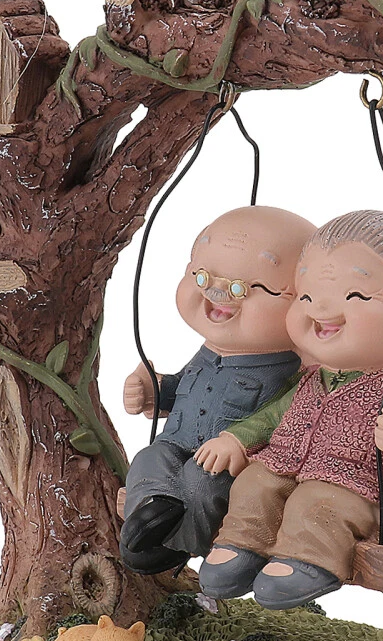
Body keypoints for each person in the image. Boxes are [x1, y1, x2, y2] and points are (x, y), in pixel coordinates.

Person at [195, 209, 383, 608]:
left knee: (316, 502)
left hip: (362, 489)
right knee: (255, 483)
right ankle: (241, 545)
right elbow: (271, 418)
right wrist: (235, 438)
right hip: (289, 466)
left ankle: (308, 561)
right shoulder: (310, 379)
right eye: (306, 296)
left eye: (356, 296)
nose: (319, 310)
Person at [119, 205, 315, 574]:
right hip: (177, 442)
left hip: (231, 464)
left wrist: (239, 443)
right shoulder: (208, 352)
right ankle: (150, 515)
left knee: (202, 484)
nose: (217, 292)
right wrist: (155, 390)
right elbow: (187, 389)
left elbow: (282, 420)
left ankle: (182, 542)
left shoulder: (289, 371)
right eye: (202, 276)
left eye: (243, 288)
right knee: (149, 459)